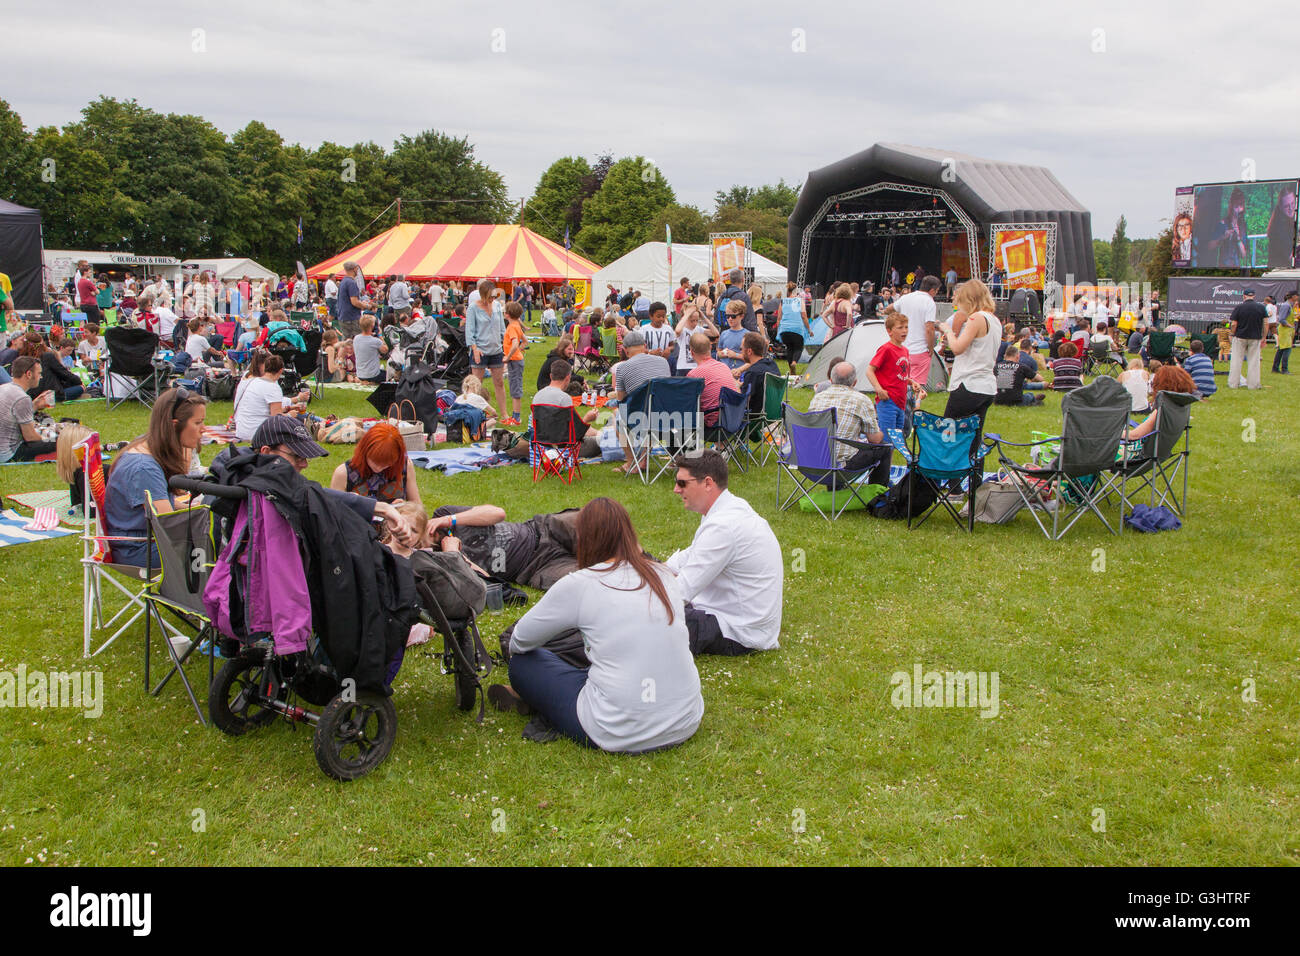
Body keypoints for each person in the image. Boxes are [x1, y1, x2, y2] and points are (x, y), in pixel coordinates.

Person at [488, 497, 704, 751]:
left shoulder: (581, 583)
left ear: (583, 538)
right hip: (685, 719)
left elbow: (520, 640)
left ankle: (536, 699)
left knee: (523, 664)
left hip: (616, 729)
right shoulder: (663, 574)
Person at [664, 450, 782, 656]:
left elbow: (679, 593)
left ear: (708, 483)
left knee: (647, 624)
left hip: (738, 633)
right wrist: (657, 568)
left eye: (682, 483)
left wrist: (635, 597)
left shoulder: (723, 526)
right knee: (651, 575)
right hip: (740, 619)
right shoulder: (728, 508)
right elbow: (692, 555)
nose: (675, 489)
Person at [103, 387, 208, 567]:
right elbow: (168, 525)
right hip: (142, 549)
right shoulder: (144, 468)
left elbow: (154, 502)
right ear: (174, 425)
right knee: (225, 546)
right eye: (198, 423)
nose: (203, 429)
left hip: (140, 541)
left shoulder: (145, 447)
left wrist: (192, 507)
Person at [808, 361, 893, 487]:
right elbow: (874, 440)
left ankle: (835, 492)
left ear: (831, 380)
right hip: (842, 466)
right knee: (884, 447)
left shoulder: (818, 398)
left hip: (812, 462)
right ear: (854, 382)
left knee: (834, 443)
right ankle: (876, 495)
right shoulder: (861, 400)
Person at [939, 280, 1001, 441]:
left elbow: (958, 348)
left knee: (949, 436)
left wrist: (948, 331)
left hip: (968, 384)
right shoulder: (994, 320)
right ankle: (973, 466)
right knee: (973, 438)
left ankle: (949, 466)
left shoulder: (976, 318)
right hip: (986, 386)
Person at [330, 422, 421, 503]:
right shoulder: (344, 473)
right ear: (365, 450)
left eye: (387, 464)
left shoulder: (404, 466)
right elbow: (333, 514)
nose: (379, 468)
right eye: (374, 461)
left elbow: (417, 506)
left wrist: (405, 508)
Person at [865, 312, 915, 433]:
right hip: (888, 401)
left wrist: (911, 382)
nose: (904, 331)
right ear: (889, 331)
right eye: (900, 328)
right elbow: (869, 371)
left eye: (906, 327)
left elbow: (899, 375)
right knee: (887, 439)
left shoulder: (905, 351)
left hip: (901, 402)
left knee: (898, 438)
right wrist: (879, 389)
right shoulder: (886, 349)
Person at [0, 356, 57, 462]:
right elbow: (30, 437)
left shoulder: (4, 388)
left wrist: (34, 405)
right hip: (8, 453)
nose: (41, 377)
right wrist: (49, 437)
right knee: (59, 440)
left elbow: (13, 415)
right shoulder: (22, 397)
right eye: (39, 373)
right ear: (29, 374)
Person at [1122, 365, 1198, 441]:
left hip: (1141, 450)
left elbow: (1134, 435)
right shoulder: (1181, 407)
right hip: (1164, 451)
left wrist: (1111, 433)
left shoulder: (1163, 409)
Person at [232, 352, 297, 441]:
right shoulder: (272, 387)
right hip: (258, 434)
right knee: (299, 422)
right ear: (281, 370)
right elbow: (277, 418)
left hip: (242, 431)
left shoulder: (252, 381)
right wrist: (290, 415)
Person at [466, 278, 507, 411]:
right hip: (480, 350)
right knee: (476, 384)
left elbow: (502, 328)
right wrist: (474, 349)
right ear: (483, 295)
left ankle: (504, 414)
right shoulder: (473, 308)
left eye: (494, 297)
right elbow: (469, 331)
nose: (492, 299)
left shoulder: (496, 306)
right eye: (490, 297)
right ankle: (475, 413)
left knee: (499, 383)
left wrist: (506, 346)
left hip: (496, 350)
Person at [685, 331, 739, 427]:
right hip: (734, 419)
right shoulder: (724, 366)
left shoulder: (694, 375)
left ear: (691, 352)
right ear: (710, 348)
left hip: (714, 424)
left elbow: (688, 404)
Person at [895, 275, 941, 387]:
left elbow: (892, 307)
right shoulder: (929, 302)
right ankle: (913, 404)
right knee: (917, 387)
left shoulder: (906, 298)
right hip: (920, 350)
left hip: (903, 349)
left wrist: (884, 310)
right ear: (932, 290)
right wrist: (931, 348)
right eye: (937, 291)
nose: (936, 294)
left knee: (902, 383)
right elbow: (929, 328)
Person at [1227, 288, 1267, 389]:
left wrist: (1232, 333)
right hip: (1255, 337)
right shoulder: (1261, 307)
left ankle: (1233, 383)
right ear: (1253, 296)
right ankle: (1253, 385)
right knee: (1254, 361)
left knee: (1236, 360)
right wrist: (1264, 337)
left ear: (1244, 296)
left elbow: (1234, 324)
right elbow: (1266, 323)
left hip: (1240, 336)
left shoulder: (1239, 307)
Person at [775, 281, 811, 376]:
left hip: (785, 329)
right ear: (796, 291)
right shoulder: (800, 301)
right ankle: (794, 362)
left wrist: (779, 329)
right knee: (798, 347)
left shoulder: (783, 301)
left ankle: (791, 370)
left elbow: (779, 318)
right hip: (797, 329)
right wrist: (809, 329)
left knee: (789, 348)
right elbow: (804, 316)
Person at [501, 301, 526, 425]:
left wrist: (508, 356)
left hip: (514, 361)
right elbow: (525, 341)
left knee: (515, 389)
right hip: (517, 359)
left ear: (507, 315)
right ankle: (515, 416)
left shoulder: (511, 327)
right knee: (514, 387)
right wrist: (519, 352)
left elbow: (516, 343)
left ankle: (516, 418)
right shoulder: (516, 325)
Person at [336, 261, 371, 338]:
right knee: (356, 340)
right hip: (351, 317)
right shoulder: (351, 283)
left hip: (343, 316)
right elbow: (354, 302)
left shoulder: (343, 281)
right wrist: (366, 306)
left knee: (346, 342)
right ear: (354, 269)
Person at [1267, 186, 1299, 269]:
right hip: (1280, 274)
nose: (1291, 208)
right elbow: (1290, 257)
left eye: (1293, 203)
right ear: (1280, 207)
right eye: (1287, 206)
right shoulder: (1279, 226)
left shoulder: (1289, 221)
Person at [353, 314, 388, 385]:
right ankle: (371, 382)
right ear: (372, 326)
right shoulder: (375, 341)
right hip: (373, 375)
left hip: (360, 374)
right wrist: (380, 336)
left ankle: (364, 381)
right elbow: (385, 350)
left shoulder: (356, 338)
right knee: (389, 375)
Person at [715, 301, 748, 370]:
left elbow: (751, 359)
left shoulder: (747, 335)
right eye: (727, 316)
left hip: (740, 373)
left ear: (741, 316)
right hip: (724, 372)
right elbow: (718, 352)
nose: (730, 319)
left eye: (733, 316)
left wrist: (735, 355)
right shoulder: (724, 334)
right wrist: (721, 354)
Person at [1273, 291, 1297, 374]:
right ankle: (1284, 369)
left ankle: (1275, 368)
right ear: (1293, 296)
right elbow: (1282, 319)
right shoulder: (1286, 305)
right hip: (1285, 330)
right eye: (1297, 296)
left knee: (1281, 349)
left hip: (1287, 330)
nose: (1298, 297)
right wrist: (1290, 325)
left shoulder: (1290, 305)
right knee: (1287, 349)